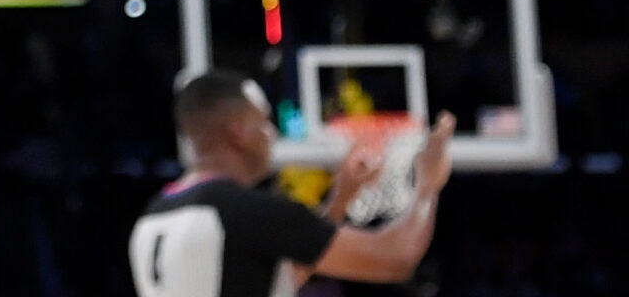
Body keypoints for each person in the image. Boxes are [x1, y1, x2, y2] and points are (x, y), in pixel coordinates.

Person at [131, 70, 454, 297]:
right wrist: (427, 184)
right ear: (238, 129)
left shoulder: (155, 214)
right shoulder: (246, 211)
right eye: (263, 122)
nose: (271, 134)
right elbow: (394, 258)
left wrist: (340, 199)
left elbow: (278, 278)